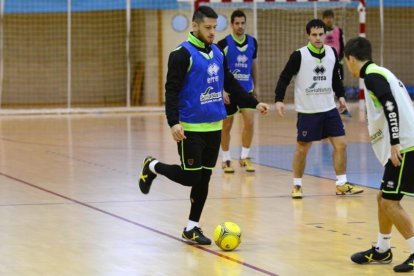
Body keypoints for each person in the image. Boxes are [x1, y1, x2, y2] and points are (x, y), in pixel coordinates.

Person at [138, 6, 269, 245]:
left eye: (214, 28)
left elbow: (230, 82)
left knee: (204, 178)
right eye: (207, 28)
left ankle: (192, 227)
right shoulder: (181, 54)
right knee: (190, 177)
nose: (211, 32)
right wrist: (173, 122)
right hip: (190, 128)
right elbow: (172, 90)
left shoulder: (218, 53)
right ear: (195, 26)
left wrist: (254, 102)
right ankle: (153, 166)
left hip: (214, 126)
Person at [344, 37, 414, 273]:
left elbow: (390, 105)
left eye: (347, 63)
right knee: (383, 198)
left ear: (350, 59)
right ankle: (383, 250)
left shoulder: (372, 76)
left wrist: (394, 142)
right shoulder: (378, 72)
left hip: (405, 146)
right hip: (405, 144)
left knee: (389, 203)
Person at [274, 19, 363, 199]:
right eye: (314, 35)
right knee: (302, 149)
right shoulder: (299, 55)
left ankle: (341, 184)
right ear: (308, 35)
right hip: (308, 111)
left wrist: (342, 96)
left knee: (341, 144)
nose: (318, 38)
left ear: (325, 35)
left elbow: (336, 78)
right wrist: (279, 99)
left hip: (329, 109)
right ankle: (297, 185)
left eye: (321, 34)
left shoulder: (331, 52)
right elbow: (284, 77)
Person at [217, 9, 259, 173]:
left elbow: (254, 64)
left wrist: (257, 85)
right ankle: (226, 158)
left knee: (249, 122)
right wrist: (222, 90)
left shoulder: (253, 42)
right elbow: (219, 69)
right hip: (229, 91)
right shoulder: (224, 44)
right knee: (227, 126)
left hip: (246, 90)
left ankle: (244, 157)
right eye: (237, 23)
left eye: (243, 23)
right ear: (231, 24)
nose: (240, 26)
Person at [322, 9, 350, 116]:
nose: (329, 19)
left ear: (333, 18)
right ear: (323, 19)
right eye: (326, 17)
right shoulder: (320, 32)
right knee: (325, 84)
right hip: (324, 64)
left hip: (337, 63)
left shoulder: (339, 31)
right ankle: (327, 107)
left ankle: (342, 106)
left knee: (338, 84)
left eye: (330, 17)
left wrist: (341, 60)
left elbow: (343, 46)